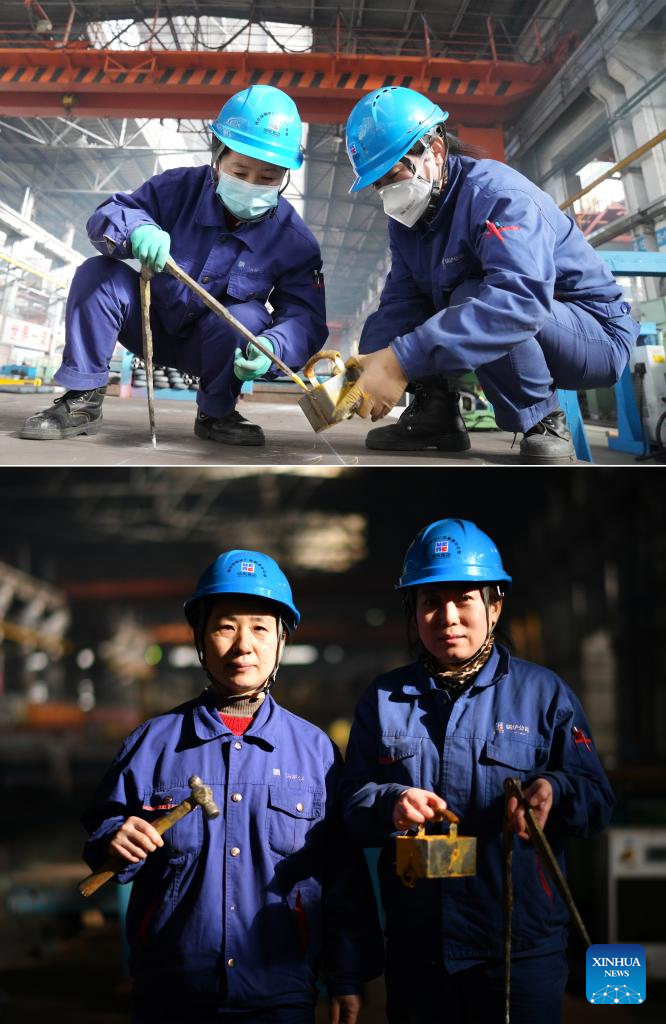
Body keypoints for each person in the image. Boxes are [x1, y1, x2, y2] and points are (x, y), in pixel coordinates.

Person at [81, 550, 382, 1023]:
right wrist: (112, 838)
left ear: (281, 640)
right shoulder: (151, 745)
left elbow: (342, 875)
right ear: (200, 638)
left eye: (260, 628)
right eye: (225, 626)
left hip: (280, 992)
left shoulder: (315, 752)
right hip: (171, 991)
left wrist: (345, 976)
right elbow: (102, 833)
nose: (244, 645)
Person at [340, 519, 615, 1023]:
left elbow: (598, 800)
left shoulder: (543, 694)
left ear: (495, 605)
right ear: (413, 611)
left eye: (463, 600)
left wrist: (555, 790)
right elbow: (349, 804)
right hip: (420, 952)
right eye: (430, 602)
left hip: (520, 949)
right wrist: (391, 803)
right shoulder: (382, 701)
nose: (448, 618)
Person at [344, 87, 640, 464]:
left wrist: (401, 360)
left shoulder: (499, 195)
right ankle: (436, 415)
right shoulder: (408, 221)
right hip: (531, 318)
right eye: (378, 184)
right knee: (401, 318)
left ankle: (543, 421)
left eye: (393, 175)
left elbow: (519, 301)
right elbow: (402, 299)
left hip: (594, 334)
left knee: (474, 295)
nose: (388, 192)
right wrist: (366, 363)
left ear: (434, 151)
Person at [20, 86, 327, 447]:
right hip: (146, 320)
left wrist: (271, 347)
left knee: (248, 319)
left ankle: (217, 412)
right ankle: (82, 400)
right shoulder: (178, 187)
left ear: (285, 177)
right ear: (218, 158)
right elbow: (110, 215)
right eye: (240, 171)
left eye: (267, 178)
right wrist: (138, 229)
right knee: (98, 273)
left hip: (213, 347)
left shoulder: (294, 241)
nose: (251, 185)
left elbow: (305, 319)